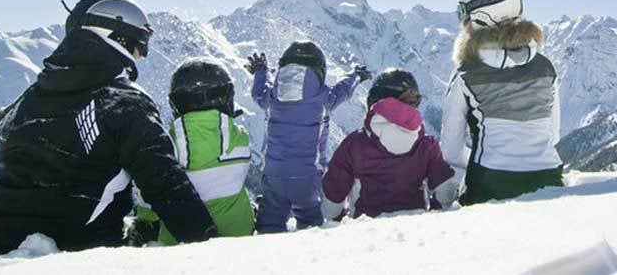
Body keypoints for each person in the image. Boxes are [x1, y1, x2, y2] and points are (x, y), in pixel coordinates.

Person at [0, 0, 216, 259]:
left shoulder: (35, 94)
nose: (142, 55)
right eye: (140, 43)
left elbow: (0, 128)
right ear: (117, 36)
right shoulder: (124, 102)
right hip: (73, 254)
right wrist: (211, 249)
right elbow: (166, 183)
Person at [440, 0, 564, 205]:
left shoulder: (466, 72)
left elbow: (450, 151)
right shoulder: (546, 67)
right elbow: (552, 136)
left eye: (462, 13)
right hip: (550, 181)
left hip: (489, 184)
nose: (462, 22)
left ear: (482, 16)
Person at [249, 41, 371, 232]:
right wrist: (356, 75)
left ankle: (266, 251)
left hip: (274, 176)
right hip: (307, 178)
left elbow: (257, 92)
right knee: (311, 223)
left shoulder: (271, 97)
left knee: (269, 225)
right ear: (319, 70)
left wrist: (260, 71)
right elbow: (344, 89)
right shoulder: (324, 98)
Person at [321, 69, 458, 220]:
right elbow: (446, 191)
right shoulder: (426, 145)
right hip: (415, 227)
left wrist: (339, 218)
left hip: (366, 228)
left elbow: (332, 199)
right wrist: (433, 212)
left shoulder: (354, 144)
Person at [152, 58, 255, 244]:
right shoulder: (239, 139)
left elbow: (148, 197)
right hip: (240, 237)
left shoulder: (166, 146)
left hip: (178, 244)